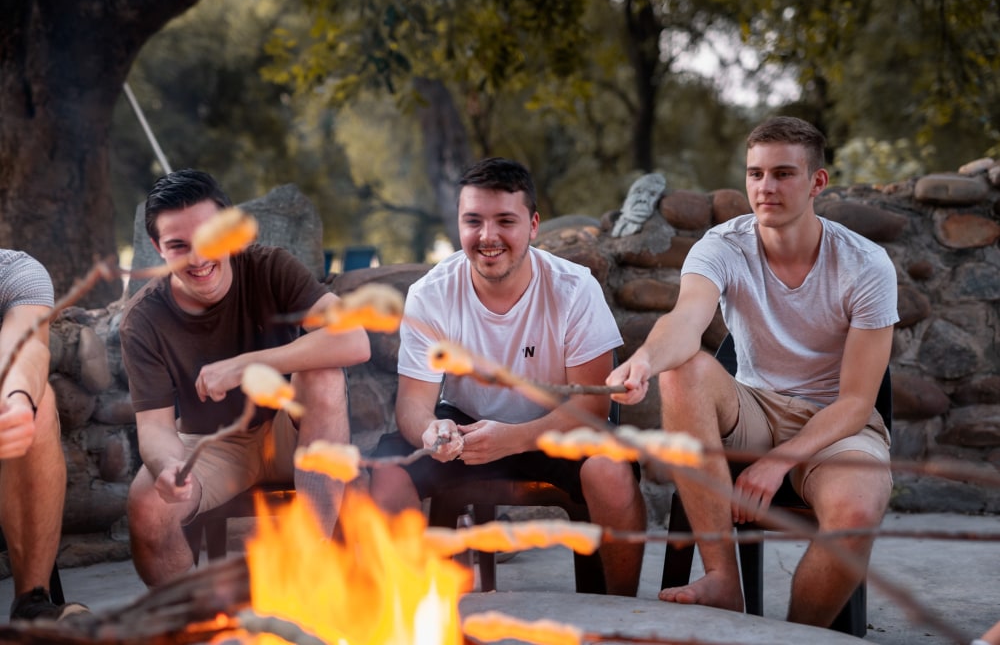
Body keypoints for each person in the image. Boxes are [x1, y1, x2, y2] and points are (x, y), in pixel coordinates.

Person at [608, 116, 897, 626]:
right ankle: (723, 579)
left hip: (836, 424)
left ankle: (799, 637)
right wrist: (645, 361)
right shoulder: (722, 245)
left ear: (817, 182)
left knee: (855, 515)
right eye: (755, 173)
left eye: (783, 174)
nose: (766, 187)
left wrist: (779, 461)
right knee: (682, 373)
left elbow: (856, 403)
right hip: (756, 408)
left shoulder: (865, 265)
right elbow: (686, 321)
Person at [369, 157, 646, 596]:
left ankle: (623, 610)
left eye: (505, 221)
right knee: (388, 470)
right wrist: (430, 432)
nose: (488, 236)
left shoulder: (574, 288)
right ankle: (411, 611)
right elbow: (412, 405)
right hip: (466, 424)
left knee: (610, 468)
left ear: (533, 225)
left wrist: (514, 438)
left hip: (558, 423)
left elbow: (593, 406)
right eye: (473, 221)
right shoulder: (431, 294)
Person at [120, 170, 370, 587]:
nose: (198, 259)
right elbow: (155, 428)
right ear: (157, 247)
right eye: (178, 246)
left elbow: (354, 339)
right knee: (146, 505)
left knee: (324, 372)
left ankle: (310, 571)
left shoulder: (270, 267)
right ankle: (193, 618)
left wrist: (247, 365)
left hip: (293, 433)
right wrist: (168, 466)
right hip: (211, 446)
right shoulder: (143, 319)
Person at [0, 251, 85, 621]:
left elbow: (25, 348)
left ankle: (32, 604)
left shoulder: (15, 272)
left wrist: (16, 398)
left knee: (39, 401)